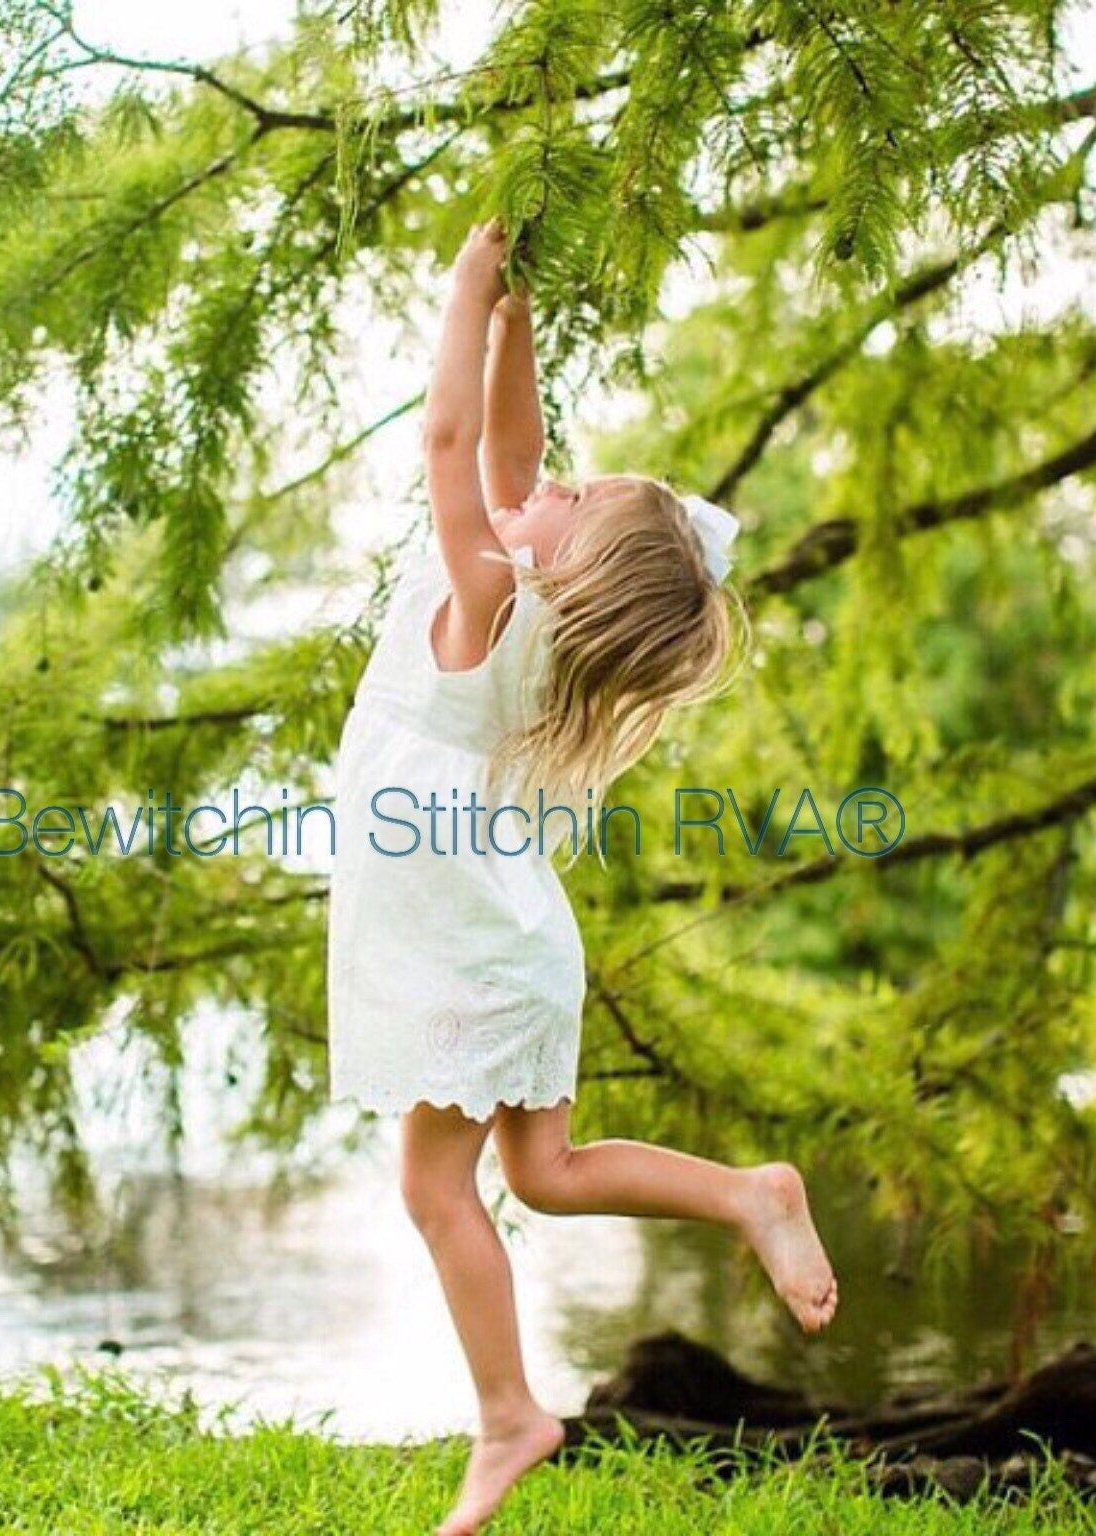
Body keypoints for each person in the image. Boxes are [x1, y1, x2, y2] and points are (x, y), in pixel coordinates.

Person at [327, 220, 839, 1536]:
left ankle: (510, 1415)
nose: (553, 481)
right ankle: (745, 1192)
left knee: (437, 1188)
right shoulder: (529, 599)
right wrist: (518, 322)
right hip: (499, 936)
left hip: (472, 940)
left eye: (578, 493)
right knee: (539, 1173)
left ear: (566, 556)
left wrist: (463, 289)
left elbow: (455, 450)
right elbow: (512, 454)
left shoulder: (490, 593)